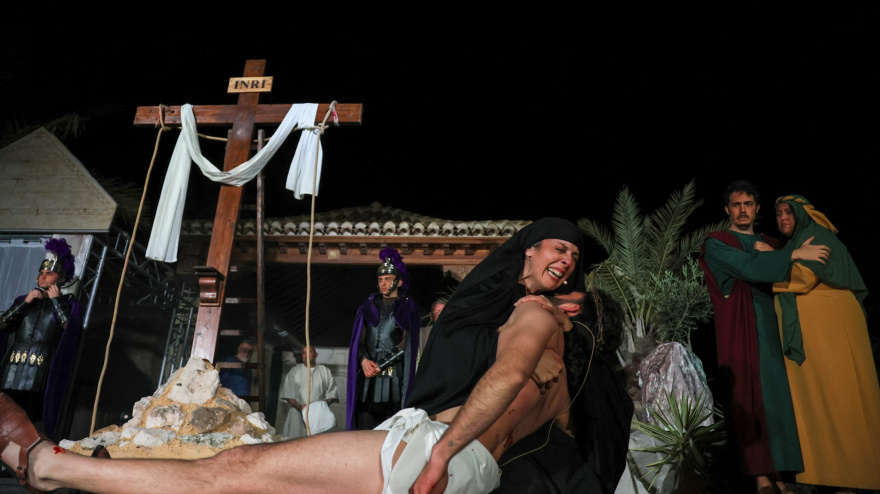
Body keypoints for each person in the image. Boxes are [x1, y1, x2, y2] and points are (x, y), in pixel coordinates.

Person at [0, 217, 583, 494]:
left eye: (574, 256)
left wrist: (440, 456)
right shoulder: (531, 321)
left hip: (437, 452)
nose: (566, 260)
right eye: (559, 248)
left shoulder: (534, 316)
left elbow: (506, 377)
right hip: (455, 459)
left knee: (231, 471)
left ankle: (53, 466)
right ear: (527, 252)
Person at [697, 180, 830, 494]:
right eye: (736, 205)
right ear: (727, 209)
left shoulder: (771, 241)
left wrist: (784, 252)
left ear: (756, 208)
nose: (742, 210)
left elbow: (800, 274)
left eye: (748, 204)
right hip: (740, 328)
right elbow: (748, 267)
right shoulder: (719, 242)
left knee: (779, 396)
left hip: (774, 326)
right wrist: (792, 253)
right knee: (749, 393)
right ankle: (760, 476)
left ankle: (782, 474)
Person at [768, 194, 880, 493]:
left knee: (841, 399)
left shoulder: (817, 236)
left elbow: (802, 279)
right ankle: (830, 475)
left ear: (802, 214)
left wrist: (764, 264)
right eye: (778, 213)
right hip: (818, 334)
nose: (782, 218)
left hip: (832, 331)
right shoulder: (797, 244)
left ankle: (854, 477)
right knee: (821, 401)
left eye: (788, 212)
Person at [0, 238, 81, 440]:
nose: (43, 277)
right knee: (6, 411)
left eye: (49, 274)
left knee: (32, 415)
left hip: (42, 368)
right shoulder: (23, 300)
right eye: (41, 273)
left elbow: (68, 329)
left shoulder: (68, 304)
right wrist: (25, 303)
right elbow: (3, 324)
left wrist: (56, 301)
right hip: (13, 365)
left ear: (59, 278)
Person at [346, 247, 420, 431]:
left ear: (399, 282)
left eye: (388, 279)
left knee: (390, 431)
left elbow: (406, 343)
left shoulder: (407, 307)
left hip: (393, 378)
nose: (383, 284)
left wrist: (383, 364)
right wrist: (363, 360)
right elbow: (360, 341)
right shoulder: (367, 307)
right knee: (363, 428)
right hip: (368, 378)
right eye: (380, 280)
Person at [278, 346, 339, 439]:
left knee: (315, 445)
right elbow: (288, 393)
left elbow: (332, 393)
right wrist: (301, 408)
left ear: (316, 355)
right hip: (297, 414)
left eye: (309, 352)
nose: (306, 355)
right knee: (294, 445)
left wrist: (319, 407)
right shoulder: (295, 371)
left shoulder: (324, 371)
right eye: (303, 353)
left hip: (318, 416)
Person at [417, 298, 446, 368]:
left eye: (444, 311)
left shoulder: (456, 333)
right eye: (437, 312)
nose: (441, 315)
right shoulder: (421, 334)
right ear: (431, 316)